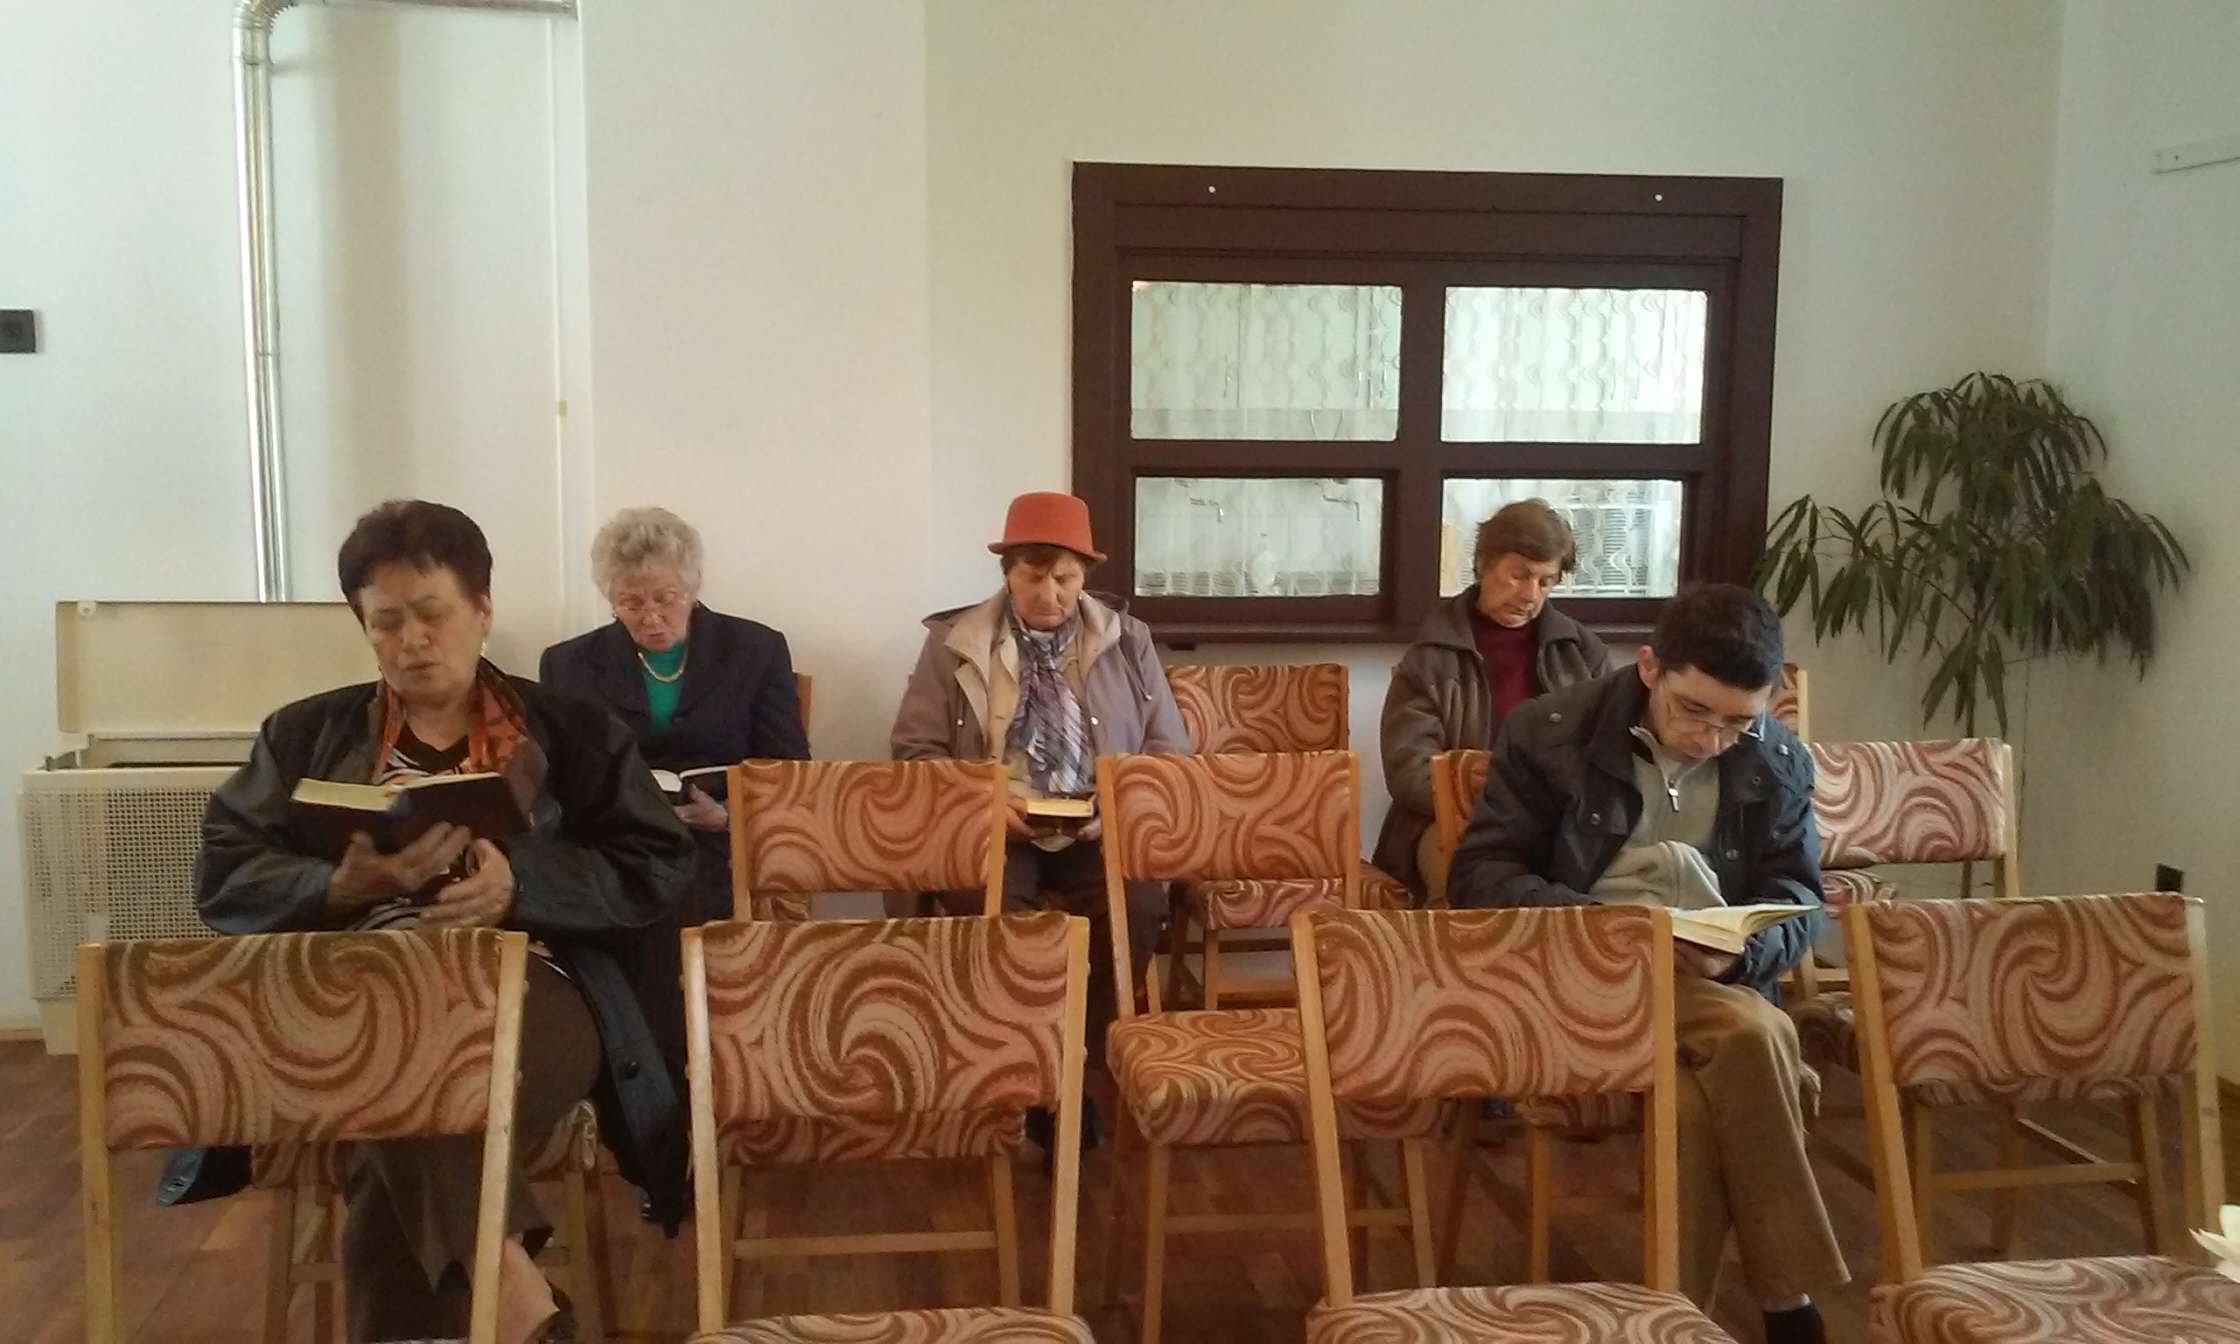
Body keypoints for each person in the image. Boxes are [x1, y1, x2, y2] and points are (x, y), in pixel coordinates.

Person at [196, 500, 697, 1344]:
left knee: (392, 1101)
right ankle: (517, 1297)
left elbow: (660, 864)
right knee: (406, 1078)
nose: (412, 641)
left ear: (483, 609)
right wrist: (336, 887)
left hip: (535, 989)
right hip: (362, 987)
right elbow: (223, 872)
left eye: (432, 614)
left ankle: (510, 1295)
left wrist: (520, 888)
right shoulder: (303, 735)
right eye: (386, 622)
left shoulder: (573, 731)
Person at [1445, 583, 1842, 1344]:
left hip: (1705, 981)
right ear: (1651, 667)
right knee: (1759, 1033)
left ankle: (1679, 1318)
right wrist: (1606, 928)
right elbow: (1480, 878)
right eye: (1694, 711)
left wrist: (1740, 952)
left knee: (1692, 1105)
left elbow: (1801, 900)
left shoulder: (1777, 757)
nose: (1712, 739)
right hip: (1578, 976)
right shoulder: (1550, 733)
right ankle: (1787, 1297)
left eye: (1738, 721)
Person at [890, 490, 1188, 1067]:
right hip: (995, 822)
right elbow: (915, 750)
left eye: (1065, 578)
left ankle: (1079, 1061)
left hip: (1098, 823)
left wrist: (1118, 804)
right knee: (987, 906)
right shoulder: (954, 644)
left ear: (1084, 577)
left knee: (1137, 904)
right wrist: (984, 803)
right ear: (1007, 573)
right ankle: (1016, 1065)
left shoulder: (1129, 640)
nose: (1049, 594)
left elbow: (1168, 748)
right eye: (1032, 577)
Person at [540, 505, 809, 923]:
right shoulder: (567, 665)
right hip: (615, 845)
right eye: (630, 603)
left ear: (693, 585)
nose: (651, 618)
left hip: (719, 842)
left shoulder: (755, 650)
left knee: (690, 895)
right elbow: (558, 777)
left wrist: (728, 815)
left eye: (666, 598)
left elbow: (787, 769)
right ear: (610, 598)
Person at [1374, 499, 1610, 904]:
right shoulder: (1432, 656)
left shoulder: (1581, 653)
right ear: (1484, 564)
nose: (1530, 595)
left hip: (1558, 820)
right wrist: (1496, 803)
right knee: (1465, 883)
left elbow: (1612, 749)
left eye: (1546, 582)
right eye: (1519, 576)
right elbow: (1408, 767)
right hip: (1448, 820)